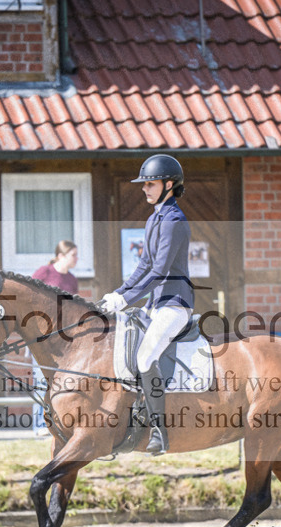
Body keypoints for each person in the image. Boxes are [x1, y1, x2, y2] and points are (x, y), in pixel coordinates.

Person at [99, 154, 193, 454]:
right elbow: (144, 266)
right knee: (123, 352)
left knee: (143, 358)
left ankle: (159, 431)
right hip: (155, 304)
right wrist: (117, 294)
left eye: (150, 184)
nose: (145, 189)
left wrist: (126, 299)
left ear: (169, 184)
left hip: (175, 304)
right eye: (144, 184)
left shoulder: (175, 221)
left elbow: (161, 270)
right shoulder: (155, 219)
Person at [30, 241, 80, 435]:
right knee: (40, 380)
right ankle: (39, 426)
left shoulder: (72, 280)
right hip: (42, 335)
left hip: (63, 336)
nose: (77, 259)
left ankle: (59, 425)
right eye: (73, 255)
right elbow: (31, 297)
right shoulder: (45, 273)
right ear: (61, 256)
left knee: (61, 381)